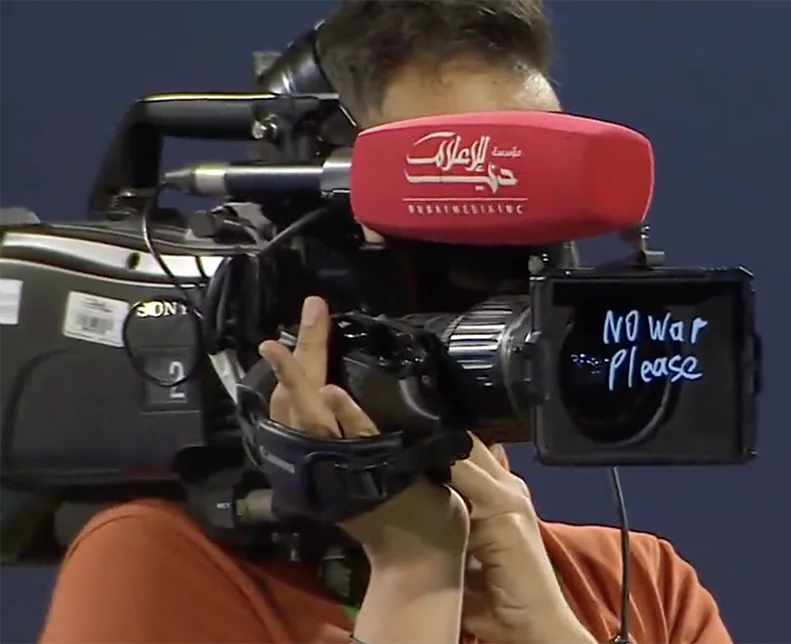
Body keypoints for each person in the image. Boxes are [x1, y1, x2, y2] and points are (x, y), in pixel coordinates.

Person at [37, 1, 732, 643]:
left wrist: (550, 629)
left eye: (530, 227)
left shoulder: (644, 588)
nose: (506, 286)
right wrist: (414, 573)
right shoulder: (155, 565)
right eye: (446, 227)